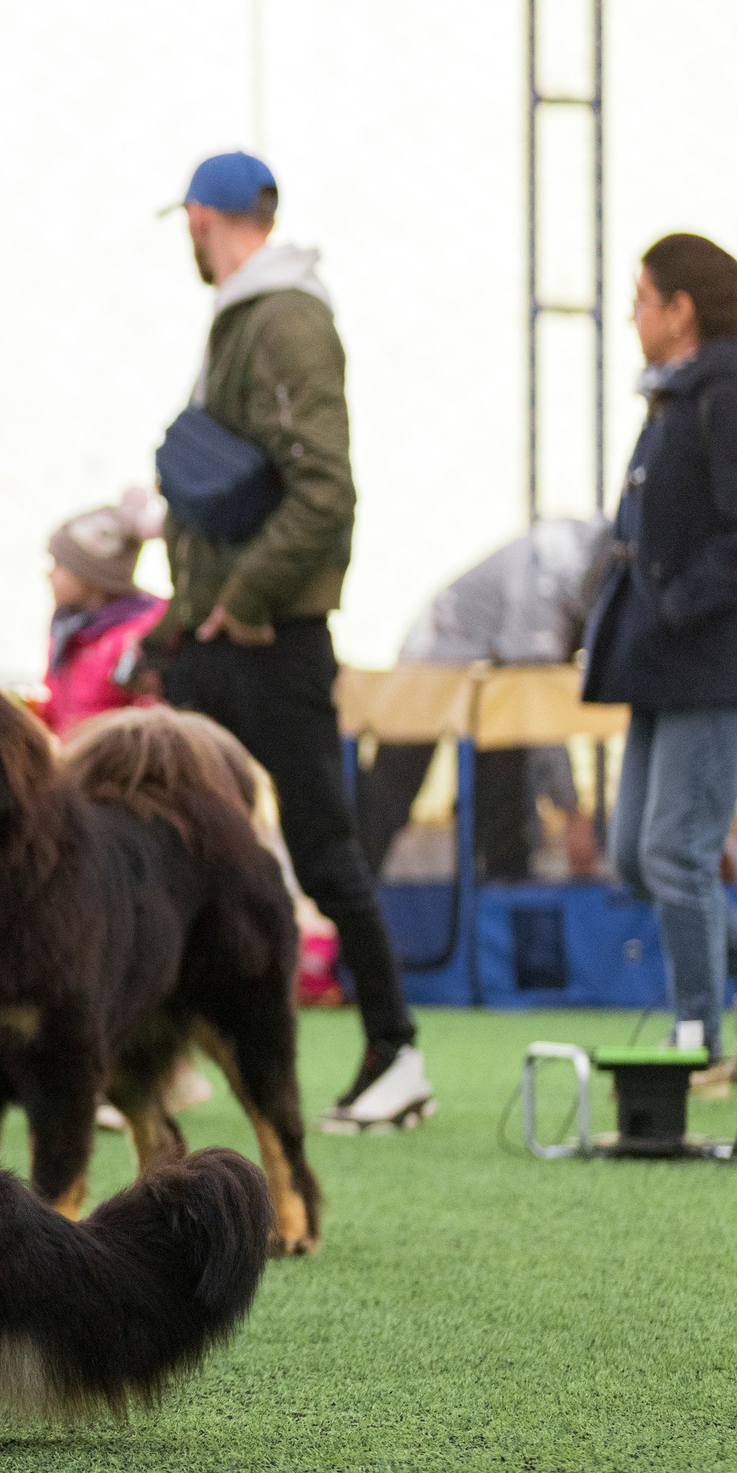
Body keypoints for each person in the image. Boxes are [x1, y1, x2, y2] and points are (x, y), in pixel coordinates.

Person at [143, 151, 433, 1133]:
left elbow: (324, 492)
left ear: (200, 215)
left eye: (185, 220)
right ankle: (155, 1060)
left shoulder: (286, 318)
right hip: (221, 636)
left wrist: (238, 598)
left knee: (322, 851)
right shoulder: (249, 312)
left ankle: (395, 1052)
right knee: (166, 845)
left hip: (269, 640)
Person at [581, 233, 737, 1092]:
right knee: (633, 854)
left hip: (712, 666)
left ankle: (697, 1039)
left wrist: (677, 608)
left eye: (642, 298)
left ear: (680, 309)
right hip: (664, 667)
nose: (633, 315)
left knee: (676, 854)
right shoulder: (677, 399)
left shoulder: (730, 396)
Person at [356, 517, 612, 882]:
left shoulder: (581, 563)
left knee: (503, 794)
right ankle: (344, 907)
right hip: (435, 662)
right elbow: (537, 709)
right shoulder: (548, 576)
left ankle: (497, 912)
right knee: (390, 795)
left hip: (491, 678)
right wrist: (571, 811)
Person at [39, 491, 165, 738]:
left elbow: (151, 728)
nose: (49, 574)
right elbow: (58, 706)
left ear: (92, 576)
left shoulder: (136, 640)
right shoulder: (68, 627)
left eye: (60, 565)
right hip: (73, 761)